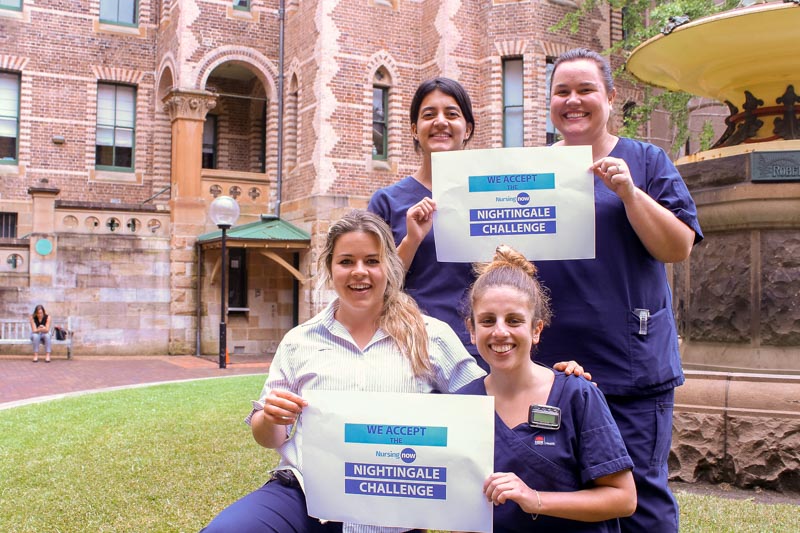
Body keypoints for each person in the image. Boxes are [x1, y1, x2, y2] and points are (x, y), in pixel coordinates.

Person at [201, 209, 486, 533]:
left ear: (390, 267)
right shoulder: (300, 341)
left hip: (393, 509)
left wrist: (552, 380)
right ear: (329, 268)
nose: (359, 272)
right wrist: (270, 418)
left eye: (372, 261)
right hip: (305, 497)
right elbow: (269, 437)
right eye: (346, 261)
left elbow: (483, 404)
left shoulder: (429, 335)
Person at [535, 48, 704, 532]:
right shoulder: (529, 171)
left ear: (610, 97)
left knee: (640, 498)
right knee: (564, 491)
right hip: (556, 368)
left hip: (631, 367)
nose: (573, 101)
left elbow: (678, 248)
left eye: (585, 89)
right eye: (561, 91)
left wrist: (630, 193)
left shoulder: (646, 160)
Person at [458, 245, 637, 532]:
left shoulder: (577, 394)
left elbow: (623, 498)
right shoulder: (463, 405)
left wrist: (535, 499)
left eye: (514, 320)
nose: (500, 331)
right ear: (471, 329)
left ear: (536, 329)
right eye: (487, 320)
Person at [368, 77, 485, 369]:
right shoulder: (387, 202)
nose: (440, 122)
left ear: (467, 128)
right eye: (429, 115)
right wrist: (412, 239)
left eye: (452, 114)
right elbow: (372, 284)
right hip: (410, 349)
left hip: (480, 351)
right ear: (414, 129)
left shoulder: (492, 194)